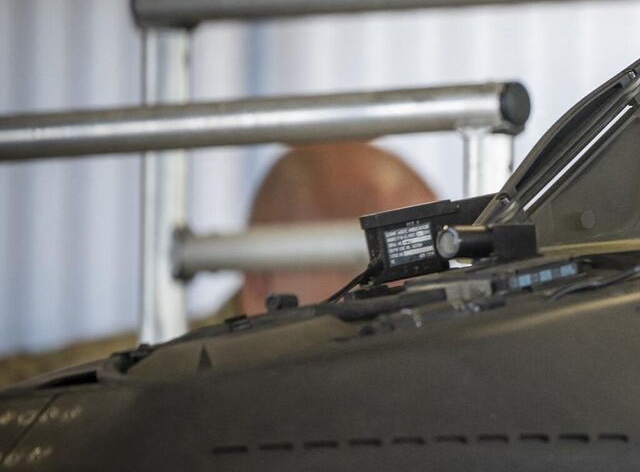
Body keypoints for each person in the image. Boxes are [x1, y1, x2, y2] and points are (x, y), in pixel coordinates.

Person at [0, 142, 435, 386]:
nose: (413, 309)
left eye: (428, 271)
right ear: (262, 281)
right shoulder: (91, 392)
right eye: (368, 283)